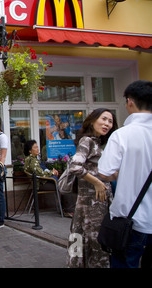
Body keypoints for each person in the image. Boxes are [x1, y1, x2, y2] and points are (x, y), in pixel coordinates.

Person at [98, 80, 152, 268]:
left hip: (132, 222)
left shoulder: (122, 135)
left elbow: (104, 172)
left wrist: (122, 172)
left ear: (130, 102)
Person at [66, 108, 118, 268]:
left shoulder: (98, 142)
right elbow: (75, 166)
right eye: (104, 119)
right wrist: (97, 182)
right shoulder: (87, 140)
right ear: (93, 120)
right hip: (91, 204)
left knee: (85, 239)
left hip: (97, 202)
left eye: (110, 121)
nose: (107, 124)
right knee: (94, 241)